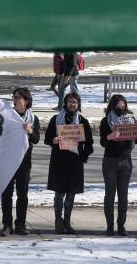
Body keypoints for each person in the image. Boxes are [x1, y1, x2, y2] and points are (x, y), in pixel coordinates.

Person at [44, 91, 93, 234]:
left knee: (71, 194)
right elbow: (47, 139)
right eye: (70, 101)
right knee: (59, 194)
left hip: (75, 162)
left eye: (75, 102)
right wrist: (54, 140)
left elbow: (89, 144)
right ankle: (58, 221)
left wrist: (83, 156)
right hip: (59, 161)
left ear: (78, 105)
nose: (72, 104)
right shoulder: (56, 119)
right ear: (65, 103)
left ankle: (67, 222)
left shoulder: (83, 121)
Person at [99, 94, 137, 236]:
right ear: (112, 106)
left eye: (123, 106)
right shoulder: (106, 121)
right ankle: (110, 226)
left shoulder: (131, 120)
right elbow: (102, 142)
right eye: (118, 106)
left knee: (123, 196)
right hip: (110, 161)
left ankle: (121, 226)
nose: (121, 109)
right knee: (110, 195)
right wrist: (109, 137)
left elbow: (133, 140)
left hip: (125, 161)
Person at [0, 87, 40, 236]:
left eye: (18, 97)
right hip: (8, 160)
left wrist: (29, 130)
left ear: (26, 101)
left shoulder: (33, 118)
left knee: (22, 195)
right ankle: (7, 224)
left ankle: (21, 224)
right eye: (14, 97)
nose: (15, 100)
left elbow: (36, 139)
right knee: (7, 194)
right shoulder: (8, 116)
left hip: (24, 162)